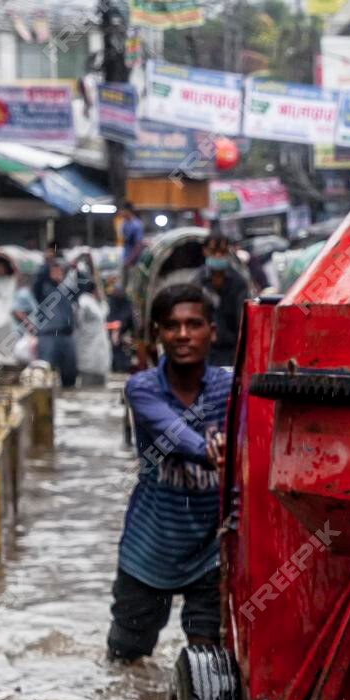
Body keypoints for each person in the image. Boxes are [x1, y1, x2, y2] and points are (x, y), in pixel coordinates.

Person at [108, 282, 234, 661]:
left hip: (210, 551)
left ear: (211, 332)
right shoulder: (142, 388)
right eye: (171, 326)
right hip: (150, 547)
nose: (182, 335)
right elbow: (174, 434)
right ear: (157, 335)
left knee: (210, 659)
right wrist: (210, 450)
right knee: (127, 656)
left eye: (193, 324)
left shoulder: (231, 388)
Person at [14, 251, 82, 387]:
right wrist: (48, 263)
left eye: (60, 270)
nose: (57, 273)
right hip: (48, 336)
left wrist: (74, 266)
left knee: (70, 375)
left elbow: (83, 283)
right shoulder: (43, 289)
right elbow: (39, 277)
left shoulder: (68, 289)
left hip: (66, 337)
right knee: (43, 375)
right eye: (54, 270)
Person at [201, 232, 248, 368]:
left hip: (232, 352)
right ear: (204, 251)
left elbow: (243, 322)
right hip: (205, 352)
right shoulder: (198, 281)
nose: (218, 256)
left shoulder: (238, 282)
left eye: (222, 252)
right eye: (213, 251)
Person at [119, 201, 145, 272]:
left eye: (122, 210)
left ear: (128, 211)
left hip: (134, 262)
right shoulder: (124, 223)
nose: (121, 212)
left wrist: (129, 260)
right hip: (125, 259)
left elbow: (138, 245)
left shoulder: (136, 225)